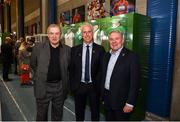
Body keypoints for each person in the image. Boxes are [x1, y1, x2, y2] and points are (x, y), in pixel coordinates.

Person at [30, 24, 71, 121]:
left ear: (60, 35)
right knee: (41, 116)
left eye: (57, 33)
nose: (54, 36)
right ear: (48, 35)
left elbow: (69, 68)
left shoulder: (67, 50)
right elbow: (33, 65)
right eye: (51, 33)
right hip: (43, 87)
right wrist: (38, 78)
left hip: (60, 88)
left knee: (58, 115)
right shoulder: (38, 48)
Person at [100, 30, 140, 120]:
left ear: (122, 40)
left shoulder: (132, 57)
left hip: (122, 102)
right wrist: (103, 97)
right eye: (111, 39)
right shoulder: (106, 56)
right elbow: (104, 77)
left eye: (117, 39)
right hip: (107, 98)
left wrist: (130, 103)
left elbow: (135, 82)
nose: (114, 42)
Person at [70, 22, 105, 121]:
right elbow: (71, 70)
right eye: (84, 32)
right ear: (81, 34)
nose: (87, 34)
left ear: (92, 33)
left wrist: (100, 87)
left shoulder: (100, 50)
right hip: (79, 86)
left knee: (95, 112)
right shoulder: (74, 50)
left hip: (94, 87)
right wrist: (73, 86)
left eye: (89, 32)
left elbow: (102, 70)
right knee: (79, 111)